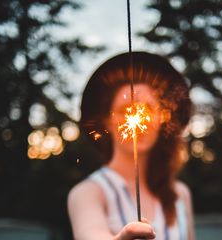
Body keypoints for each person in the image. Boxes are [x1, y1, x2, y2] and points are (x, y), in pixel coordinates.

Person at [67, 51, 195, 240]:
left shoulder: (179, 194)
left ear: (162, 118)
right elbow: (90, 233)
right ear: (107, 122)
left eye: (149, 109)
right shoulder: (89, 192)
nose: (139, 119)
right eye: (126, 110)